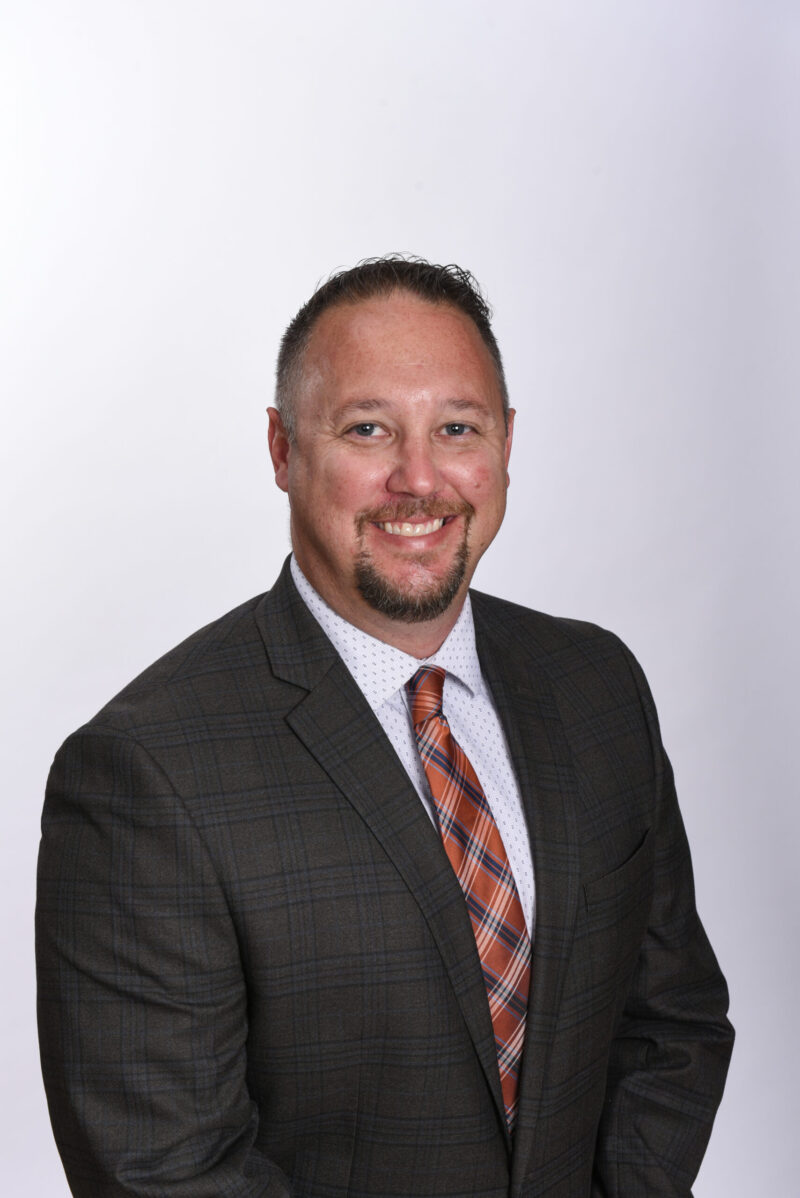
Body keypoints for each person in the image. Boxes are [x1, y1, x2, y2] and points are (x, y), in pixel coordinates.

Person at [37, 256, 733, 1198]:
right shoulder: (144, 774)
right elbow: (161, 1170)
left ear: (507, 444)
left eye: (457, 428)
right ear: (284, 450)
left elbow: (672, 1023)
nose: (419, 478)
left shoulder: (597, 687)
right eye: (368, 428)